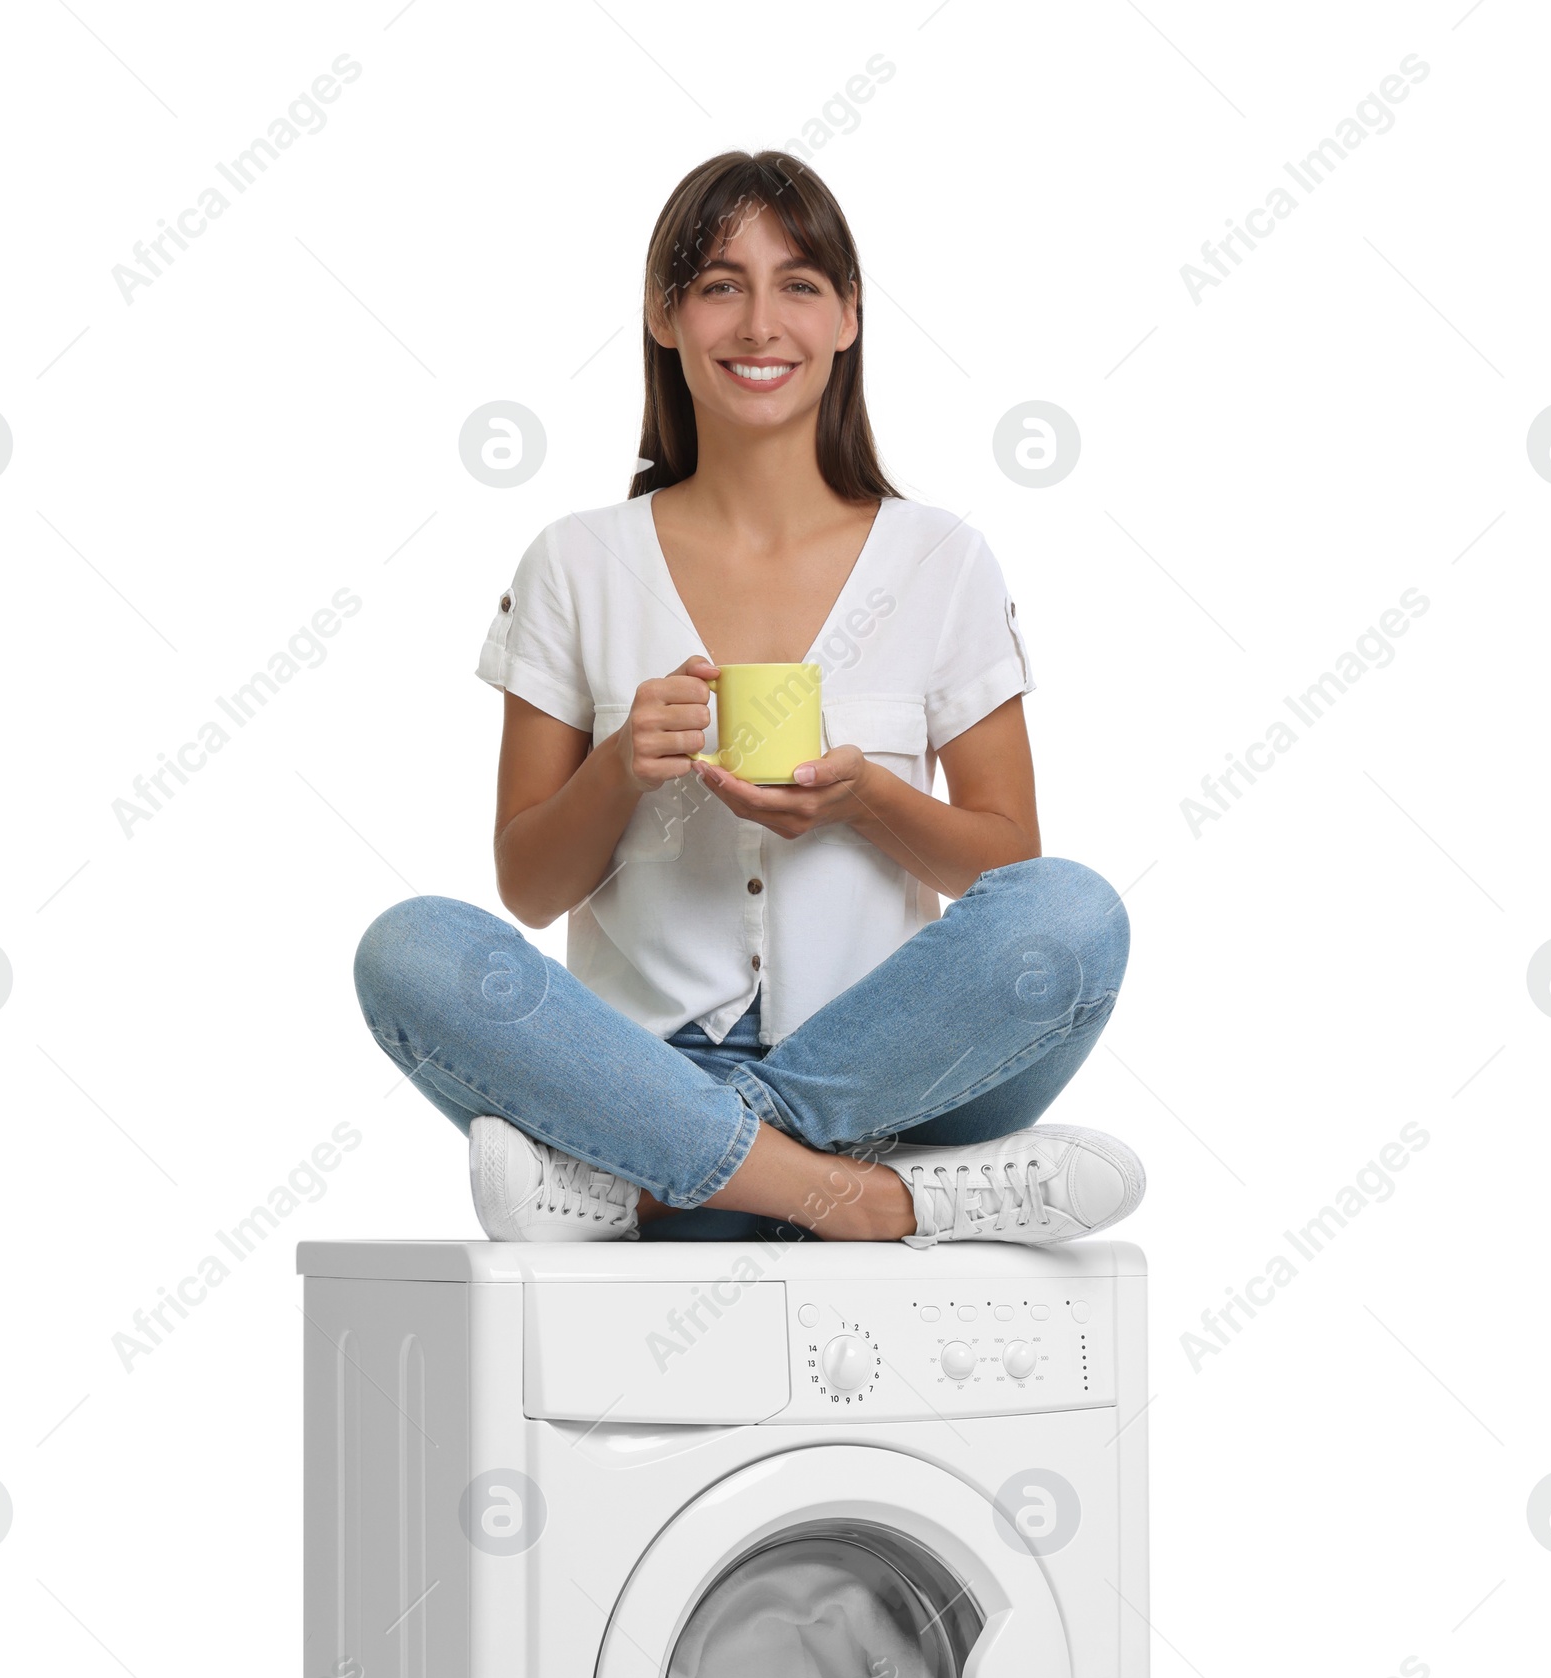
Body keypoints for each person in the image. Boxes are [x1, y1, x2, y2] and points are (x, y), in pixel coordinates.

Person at [354, 150, 1142, 1250]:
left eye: (800, 284)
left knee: (1077, 914)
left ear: (848, 316)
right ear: (664, 315)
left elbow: (1003, 865)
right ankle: (875, 1199)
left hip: (896, 1077)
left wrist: (868, 800)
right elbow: (529, 886)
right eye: (721, 283)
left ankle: (642, 1181)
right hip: (634, 1063)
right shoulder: (574, 562)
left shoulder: (942, 558)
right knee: (410, 952)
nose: (760, 323)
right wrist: (618, 764)